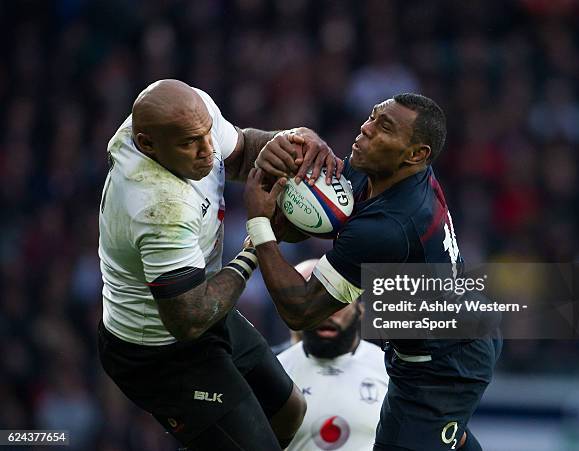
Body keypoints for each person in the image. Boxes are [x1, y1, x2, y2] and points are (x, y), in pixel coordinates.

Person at [243, 93, 502, 451]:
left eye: (384, 127)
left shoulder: (392, 225)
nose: (365, 129)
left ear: (416, 154)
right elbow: (327, 214)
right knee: (439, 438)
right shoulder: (385, 173)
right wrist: (296, 138)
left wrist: (259, 224)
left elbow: (300, 310)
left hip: (445, 366)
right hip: (453, 327)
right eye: (372, 117)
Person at [97, 79, 342, 451]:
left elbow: (243, 152)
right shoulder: (157, 205)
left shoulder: (189, 114)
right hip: (158, 351)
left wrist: (291, 144)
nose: (208, 152)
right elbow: (189, 319)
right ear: (147, 144)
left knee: (290, 411)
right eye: (190, 144)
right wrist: (255, 245)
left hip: (204, 309)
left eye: (207, 135)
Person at [278, 259, 388, 451]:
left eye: (338, 301)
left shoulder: (391, 371)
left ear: (359, 308)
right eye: (314, 302)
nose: (327, 313)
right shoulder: (276, 370)